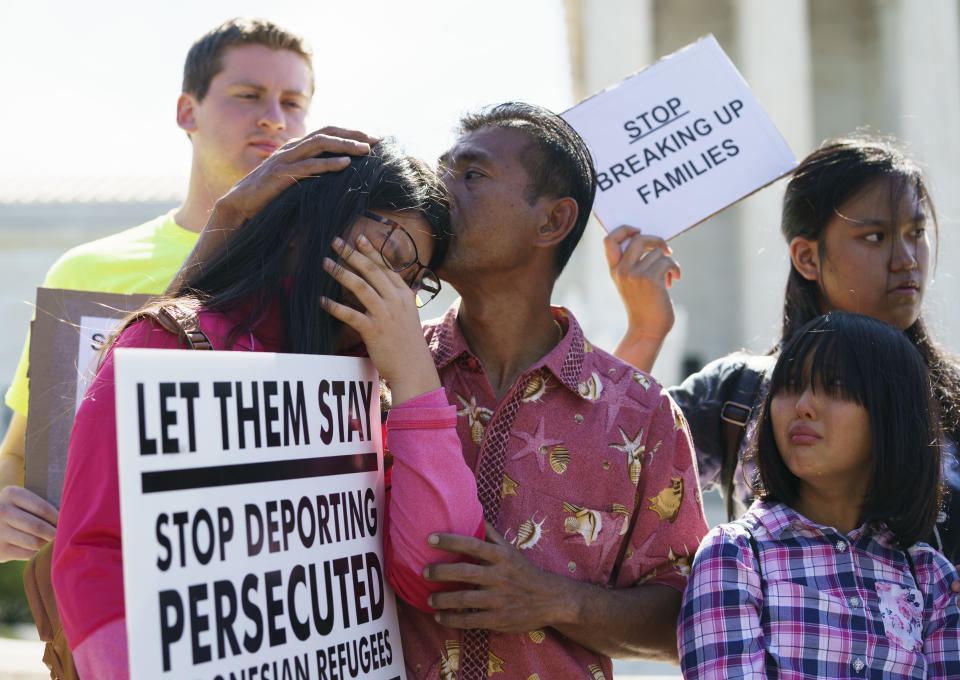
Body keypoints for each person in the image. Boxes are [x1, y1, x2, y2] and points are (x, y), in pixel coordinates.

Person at [173, 103, 710, 678]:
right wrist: (229, 215)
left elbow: (688, 619)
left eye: (471, 175)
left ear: (552, 222)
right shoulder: (361, 354)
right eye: (443, 168)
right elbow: (183, 365)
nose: (440, 187)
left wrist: (555, 598)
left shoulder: (641, 412)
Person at [50, 141, 485, 678]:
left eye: (416, 282)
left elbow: (437, 575)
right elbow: (94, 558)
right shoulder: (170, 343)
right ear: (315, 221)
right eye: (389, 254)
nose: (395, 291)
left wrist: (416, 381)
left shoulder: (372, 386)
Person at [0, 17, 376, 563]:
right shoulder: (87, 269)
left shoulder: (336, 268)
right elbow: (23, 461)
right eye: (247, 95)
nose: (273, 119)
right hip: (110, 616)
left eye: (293, 103)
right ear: (187, 112)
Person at [607, 136, 960, 561]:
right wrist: (646, 330)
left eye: (916, 232)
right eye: (875, 237)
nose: (906, 259)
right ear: (807, 257)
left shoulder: (952, 398)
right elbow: (605, 474)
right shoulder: (739, 392)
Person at [679, 312, 960, 678]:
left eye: (836, 386)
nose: (803, 405)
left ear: (893, 418)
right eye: (790, 385)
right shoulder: (734, 555)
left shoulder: (930, 577)